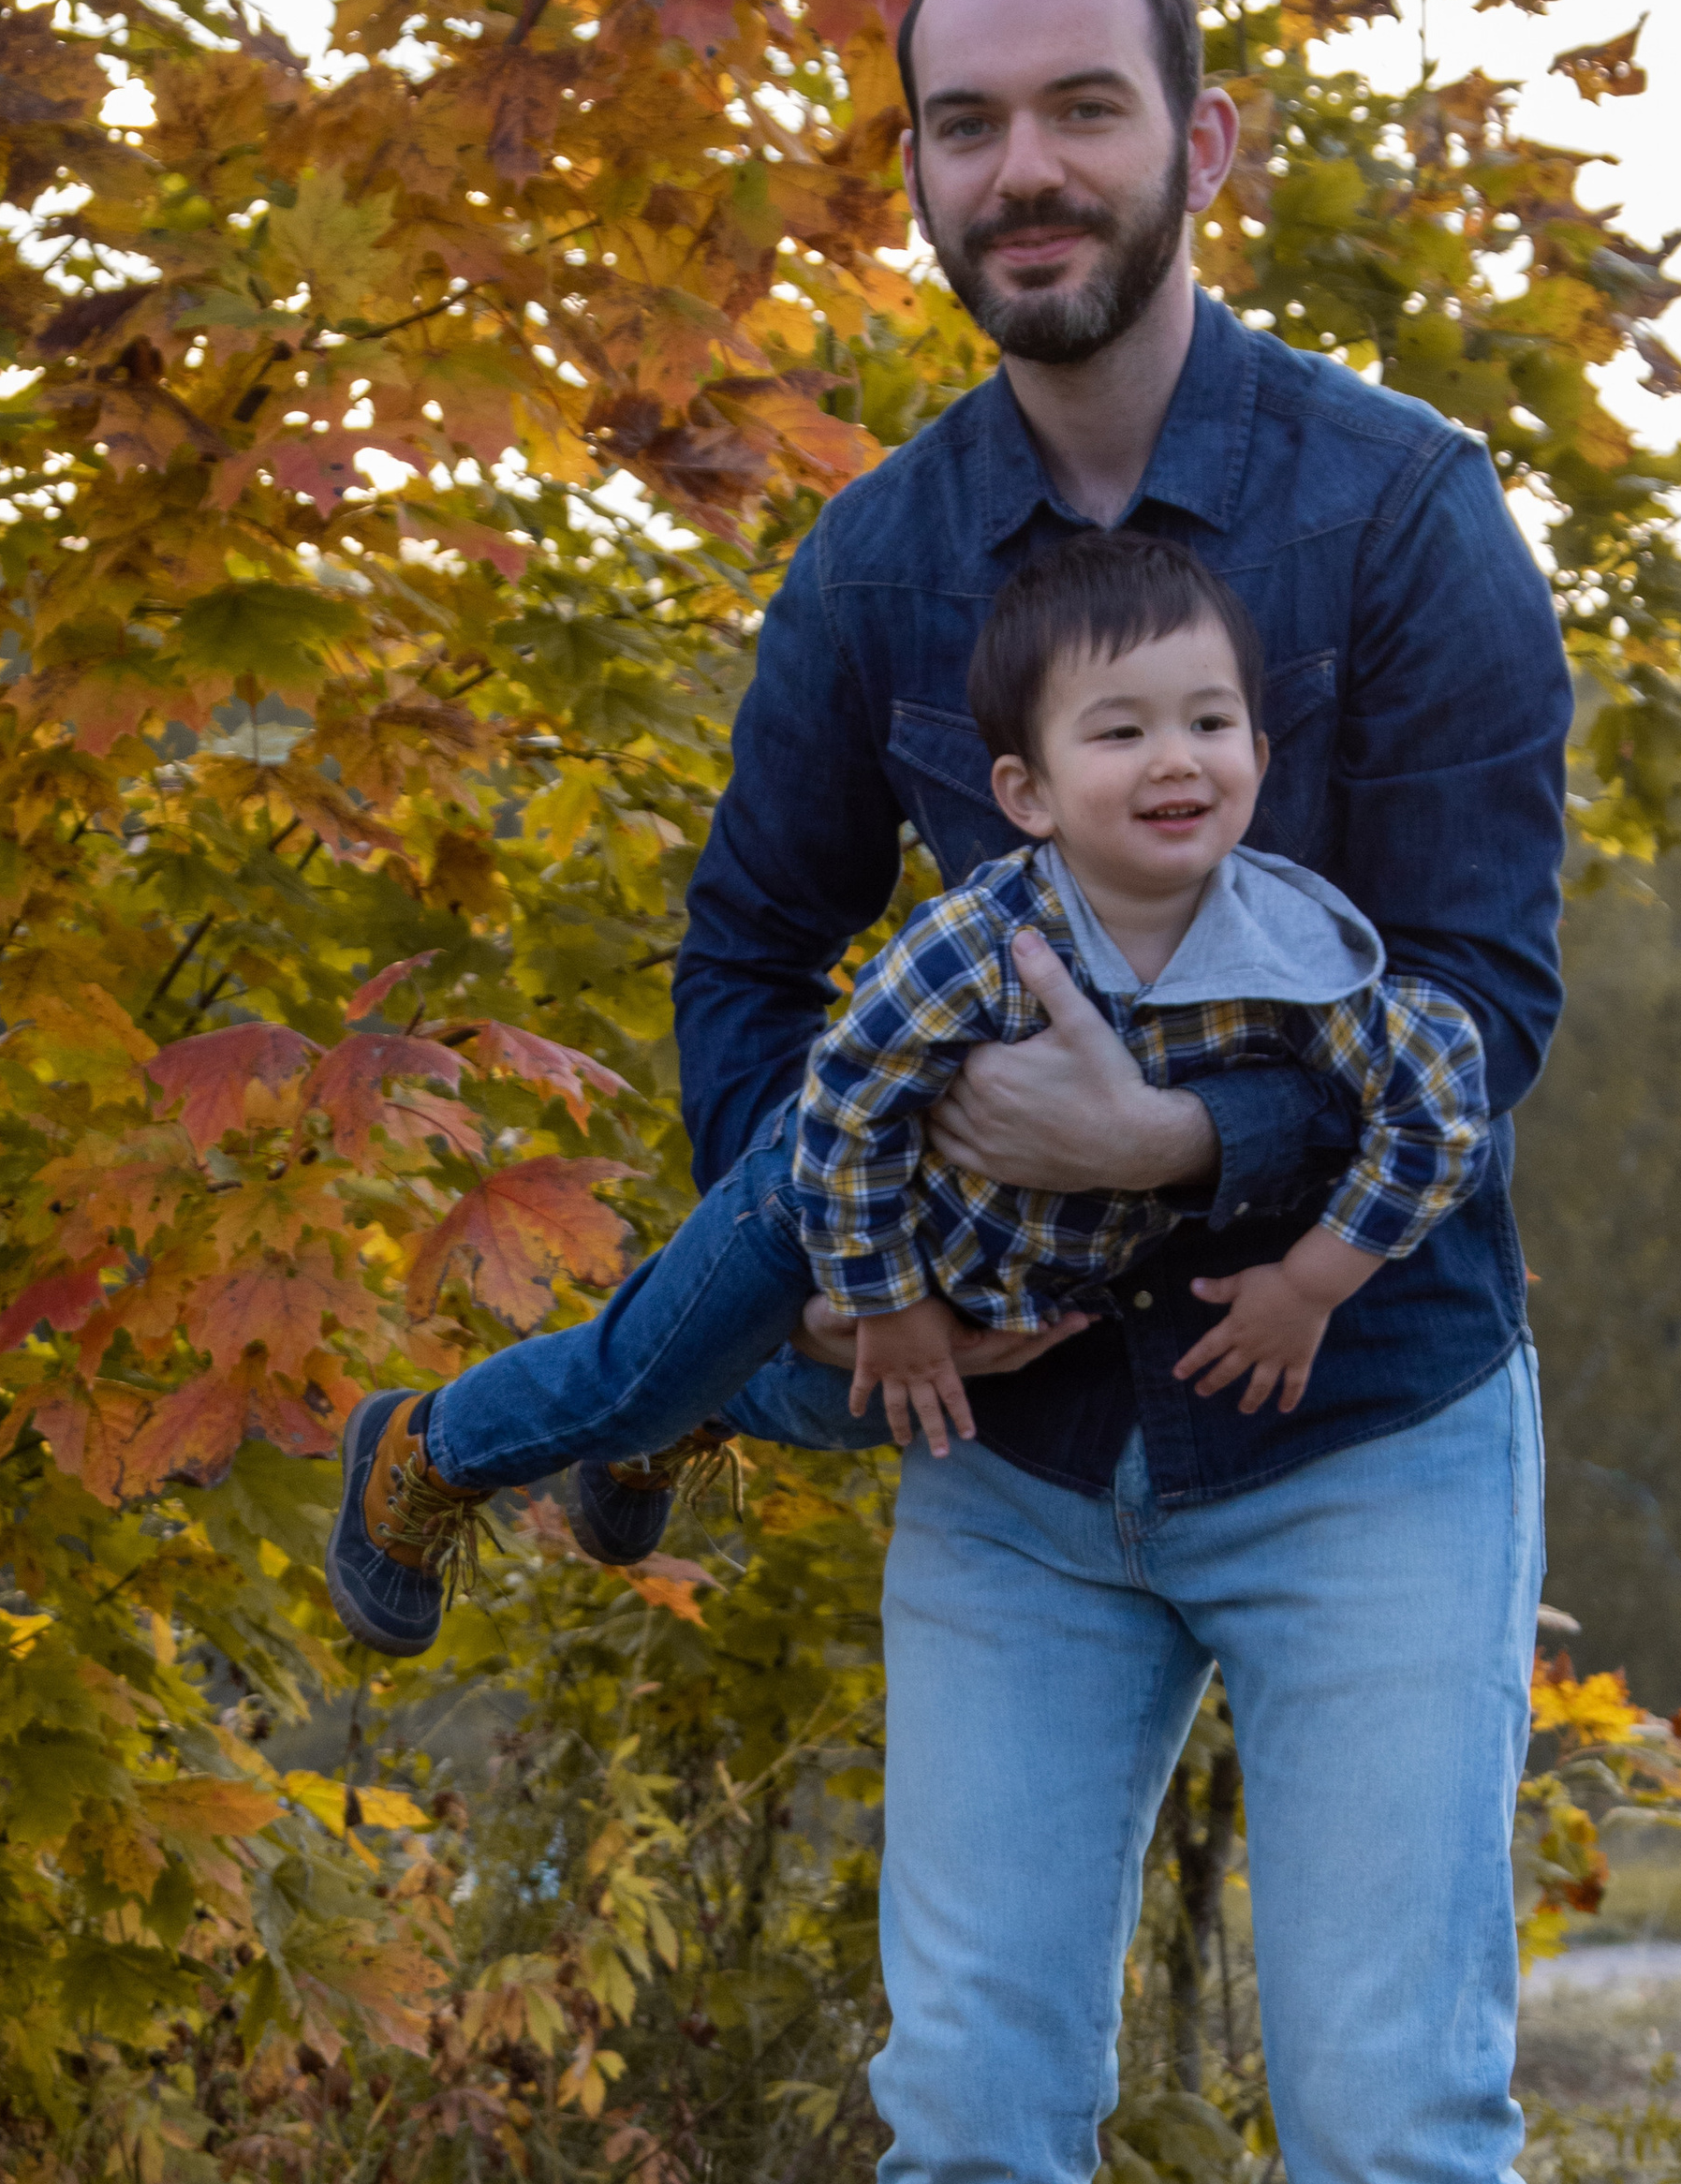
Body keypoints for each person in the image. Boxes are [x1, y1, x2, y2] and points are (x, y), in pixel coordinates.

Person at [669, 0, 1612, 2184]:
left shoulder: (1404, 519)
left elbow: (1491, 995)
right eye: (968, 127)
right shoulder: (880, 568)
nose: (1025, 173)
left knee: (1397, 2122)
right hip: (1017, 1485)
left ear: (1199, 141)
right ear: (919, 174)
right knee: (972, 2118)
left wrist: (1192, 1146)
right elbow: (739, 951)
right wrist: (845, 1283)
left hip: (1367, 1433)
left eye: (1084, 111)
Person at [325, 535, 1486, 1652]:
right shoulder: (978, 946)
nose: (1176, 758)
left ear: (1260, 756)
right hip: (819, 1204)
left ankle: (694, 1413)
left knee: (847, 1416)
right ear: (1026, 792)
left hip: (997, 1269)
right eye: (1120, 731)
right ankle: (429, 1448)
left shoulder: (1291, 955)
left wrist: (1310, 1282)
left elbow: (1439, 1105)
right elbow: (842, 1111)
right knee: (631, 1384)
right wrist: (883, 1298)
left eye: (1210, 722)